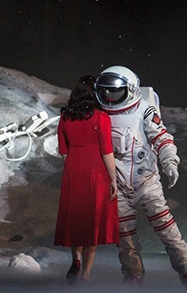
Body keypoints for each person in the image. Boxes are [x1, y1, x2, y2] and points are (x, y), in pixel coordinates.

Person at [94, 66, 187, 287]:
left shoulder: (144, 110)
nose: (110, 98)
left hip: (146, 180)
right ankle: (133, 273)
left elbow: (162, 138)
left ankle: (186, 268)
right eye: (106, 92)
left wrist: (170, 162)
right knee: (124, 235)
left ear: (131, 90)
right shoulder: (99, 113)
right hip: (117, 184)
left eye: (116, 92)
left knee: (165, 226)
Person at [54, 75, 119, 284]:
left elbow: (63, 151)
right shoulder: (101, 117)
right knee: (93, 222)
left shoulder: (65, 118)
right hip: (96, 172)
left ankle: (76, 260)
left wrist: (74, 167)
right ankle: (87, 274)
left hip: (73, 170)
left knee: (77, 220)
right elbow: (107, 152)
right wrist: (113, 180)